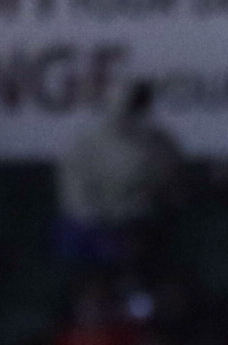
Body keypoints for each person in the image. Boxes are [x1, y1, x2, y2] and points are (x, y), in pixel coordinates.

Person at [55, 82, 182, 258]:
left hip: (147, 226)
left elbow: (170, 189)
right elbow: (78, 201)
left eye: (140, 104)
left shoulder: (161, 143)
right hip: (98, 229)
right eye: (131, 104)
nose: (136, 111)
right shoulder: (87, 146)